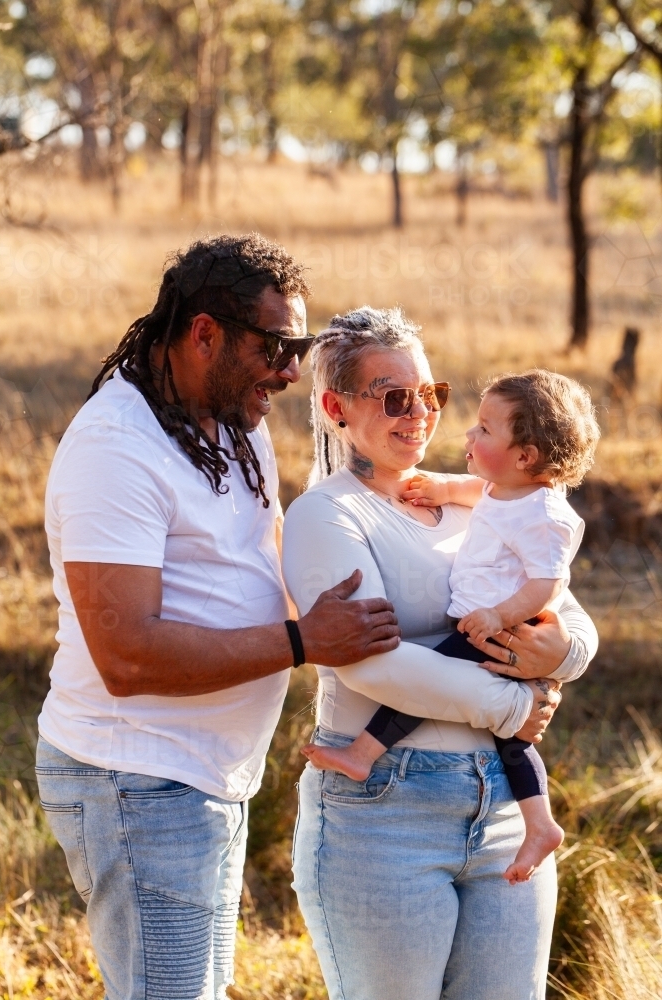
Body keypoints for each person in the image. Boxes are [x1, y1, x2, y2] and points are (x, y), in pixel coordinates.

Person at [35, 237, 401, 1000]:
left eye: (297, 345)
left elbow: (263, 566)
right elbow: (126, 657)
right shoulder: (115, 447)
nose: (291, 368)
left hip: (201, 778)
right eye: (275, 345)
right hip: (135, 779)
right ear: (204, 334)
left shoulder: (236, 423)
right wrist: (304, 642)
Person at [281, 306, 598, 1000]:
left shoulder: (479, 500)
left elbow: (565, 616)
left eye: (429, 395)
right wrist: (518, 702)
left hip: (504, 803)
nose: (418, 414)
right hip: (384, 810)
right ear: (336, 406)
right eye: (393, 397)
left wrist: (563, 658)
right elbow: (371, 661)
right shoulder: (326, 515)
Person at [302, 368, 600, 885]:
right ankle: (541, 822)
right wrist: (441, 488)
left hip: (498, 632)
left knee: (432, 681)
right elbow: (475, 491)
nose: (467, 434)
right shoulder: (505, 489)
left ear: (525, 456)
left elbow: (550, 586)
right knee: (509, 739)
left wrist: (506, 620)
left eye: (484, 430)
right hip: (485, 630)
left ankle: (362, 754)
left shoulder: (545, 515)